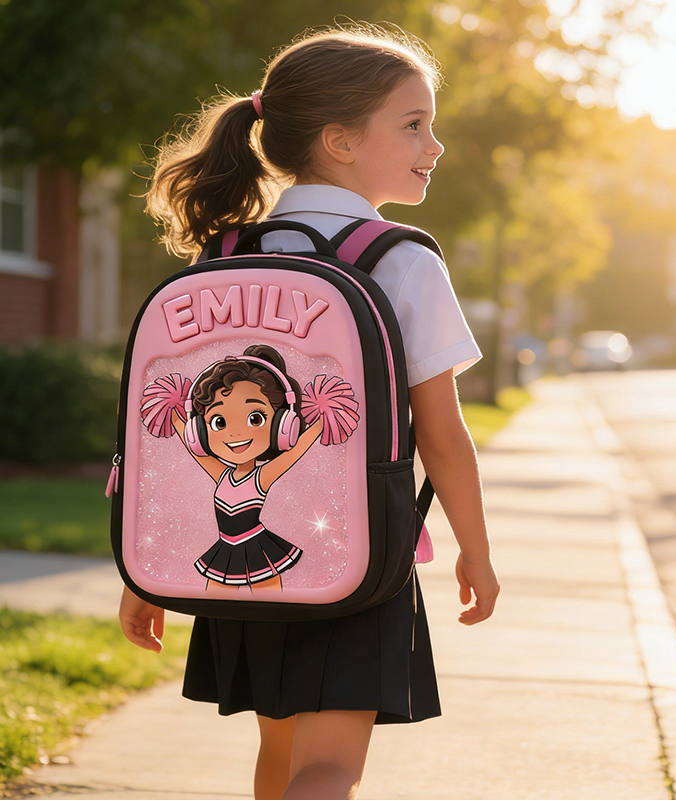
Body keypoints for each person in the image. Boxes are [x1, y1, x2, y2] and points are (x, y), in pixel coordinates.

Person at [119, 23, 500, 800]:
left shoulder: (226, 255)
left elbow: (168, 436)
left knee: (281, 763)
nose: (435, 144)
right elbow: (443, 434)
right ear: (340, 140)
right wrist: (476, 550)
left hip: (239, 578)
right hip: (356, 563)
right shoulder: (400, 259)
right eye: (414, 124)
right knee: (328, 772)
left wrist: (146, 567)